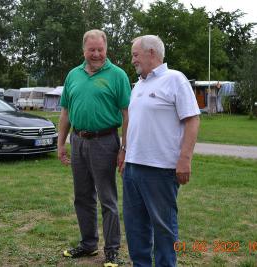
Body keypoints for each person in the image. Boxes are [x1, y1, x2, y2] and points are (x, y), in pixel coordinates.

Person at [123, 35, 200, 267]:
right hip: (132, 168)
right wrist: (125, 154)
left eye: (136, 55)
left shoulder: (175, 79)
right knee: (135, 227)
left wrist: (184, 160)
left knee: (164, 228)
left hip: (161, 170)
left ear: (152, 53)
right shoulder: (138, 85)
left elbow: (192, 120)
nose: (133, 60)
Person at [58, 29, 131, 267]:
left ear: (106, 49)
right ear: (84, 51)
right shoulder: (73, 75)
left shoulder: (118, 75)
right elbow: (66, 112)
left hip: (105, 141)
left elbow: (127, 113)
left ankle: (111, 250)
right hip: (78, 140)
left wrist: (124, 147)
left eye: (101, 50)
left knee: (107, 198)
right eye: (92, 50)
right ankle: (88, 244)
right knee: (82, 196)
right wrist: (61, 142)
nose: (97, 54)